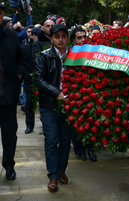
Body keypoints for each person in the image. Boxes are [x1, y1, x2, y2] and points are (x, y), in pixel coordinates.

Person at [34, 23, 72, 191]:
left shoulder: (75, 55)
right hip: (49, 106)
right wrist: (57, 92)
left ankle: (62, 171)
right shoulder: (44, 56)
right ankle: (53, 176)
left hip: (70, 106)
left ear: (67, 38)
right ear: (51, 39)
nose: (61, 39)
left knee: (65, 141)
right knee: (51, 140)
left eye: (63, 36)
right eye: (57, 37)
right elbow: (38, 79)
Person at [0, 2, 25, 181]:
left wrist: (19, 73)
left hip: (8, 94)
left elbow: (21, 58)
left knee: (9, 134)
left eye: (0, 14)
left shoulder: (11, 35)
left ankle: (9, 166)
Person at [69, 26, 97, 162]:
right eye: (79, 37)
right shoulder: (70, 52)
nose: (82, 39)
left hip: (90, 92)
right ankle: (79, 150)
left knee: (91, 122)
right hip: (75, 93)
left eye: (84, 37)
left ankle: (91, 149)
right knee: (77, 124)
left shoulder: (91, 50)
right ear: (73, 39)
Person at [22, 27, 41, 134]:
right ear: (31, 35)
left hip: (42, 79)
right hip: (30, 80)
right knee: (29, 105)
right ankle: (29, 125)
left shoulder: (44, 47)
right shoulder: (25, 49)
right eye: (35, 36)